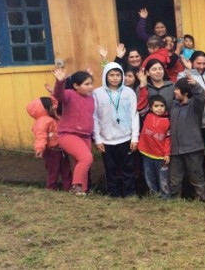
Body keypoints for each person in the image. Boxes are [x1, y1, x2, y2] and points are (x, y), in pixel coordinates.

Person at [93, 62, 140, 198]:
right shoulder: (97, 93)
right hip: (106, 139)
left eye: (118, 75)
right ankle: (114, 193)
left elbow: (134, 114)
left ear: (122, 76)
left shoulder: (128, 92)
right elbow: (94, 117)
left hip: (126, 138)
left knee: (128, 168)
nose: (115, 78)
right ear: (105, 76)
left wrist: (135, 137)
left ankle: (129, 193)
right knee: (110, 169)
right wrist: (98, 139)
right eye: (111, 75)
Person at [178, 51, 205, 198]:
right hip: (195, 124)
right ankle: (197, 189)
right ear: (192, 62)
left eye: (204, 63)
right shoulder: (183, 75)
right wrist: (188, 70)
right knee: (197, 158)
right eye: (198, 63)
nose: (201, 66)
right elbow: (183, 91)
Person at [52, 67, 95, 195]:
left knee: (81, 163)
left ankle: (83, 192)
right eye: (86, 84)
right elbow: (59, 94)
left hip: (85, 136)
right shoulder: (70, 94)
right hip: (68, 134)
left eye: (91, 84)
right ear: (76, 85)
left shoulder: (91, 99)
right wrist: (60, 82)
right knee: (86, 158)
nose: (90, 87)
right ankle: (76, 187)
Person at [168, 75, 205, 201]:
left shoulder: (195, 106)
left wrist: (195, 84)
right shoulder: (174, 105)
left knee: (196, 176)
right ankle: (175, 199)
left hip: (193, 148)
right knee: (174, 178)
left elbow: (201, 95)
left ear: (185, 92)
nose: (174, 91)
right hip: (175, 149)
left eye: (177, 89)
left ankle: (201, 199)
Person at [26, 96, 71, 191]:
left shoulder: (53, 117)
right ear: (45, 108)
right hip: (51, 152)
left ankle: (68, 187)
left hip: (61, 150)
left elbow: (55, 103)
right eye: (51, 105)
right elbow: (40, 136)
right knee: (53, 171)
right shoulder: (42, 122)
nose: (54, 107)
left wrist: (53, 93)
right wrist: (39, 149)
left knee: (66, 170)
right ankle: (50, 188)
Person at [137, 95, 171, 198]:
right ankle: (154, 196)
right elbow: (141, 106)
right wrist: (143, 86)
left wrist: (167, 153)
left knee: (163, 179)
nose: (159, 108)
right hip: (146, 154)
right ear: (151, 108)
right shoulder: (147, 115)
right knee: (149, 177)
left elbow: (168, 139)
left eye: (162, 106)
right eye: (156, 106)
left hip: (161, 156)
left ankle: (166, 197)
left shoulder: (168, 121)